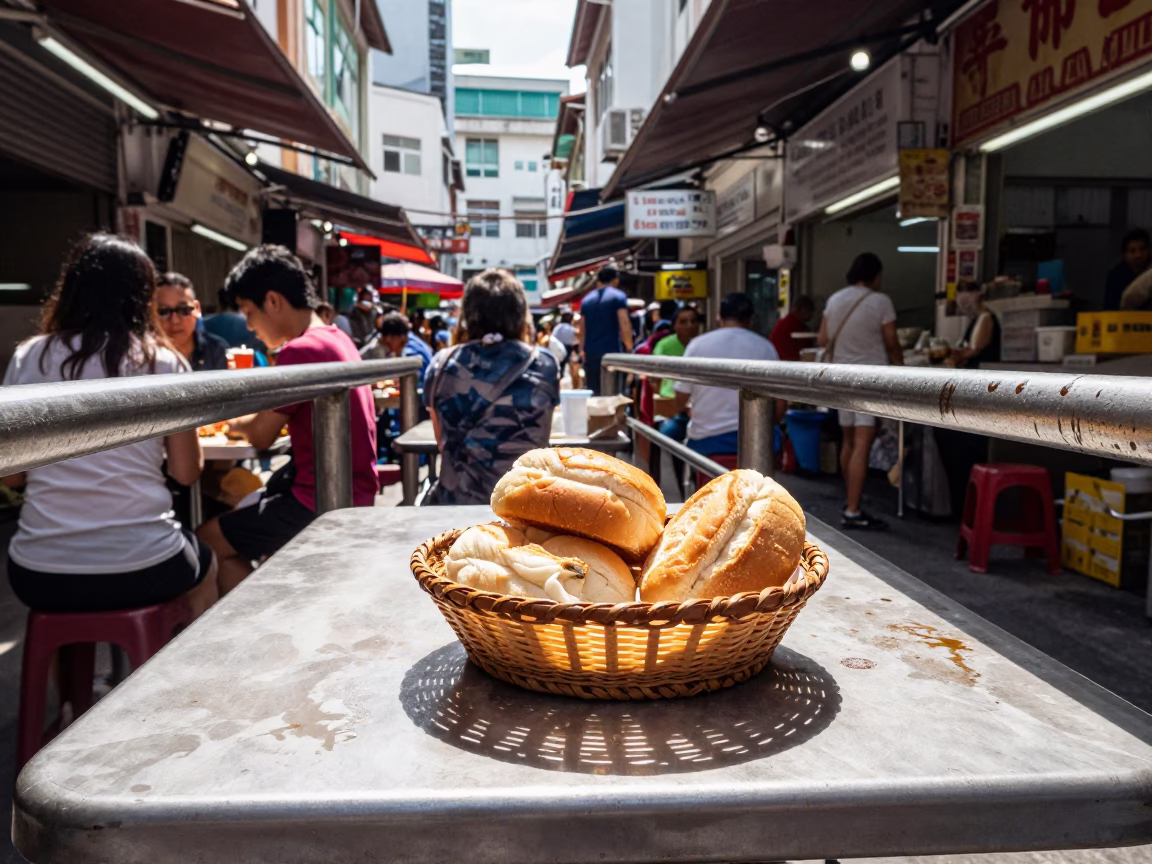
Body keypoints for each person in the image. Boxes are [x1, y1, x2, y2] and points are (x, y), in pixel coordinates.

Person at [1, 233, 218, 616]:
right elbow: (186, 473)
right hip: (145, 563)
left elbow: (12, 477)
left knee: (59, 618)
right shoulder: (162, 362)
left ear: (70, 290)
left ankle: (67, 679)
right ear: (143, 297)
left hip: (41, 571)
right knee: (208, 565)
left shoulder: (29, 356)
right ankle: (185, 673)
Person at [197, 246, 378, 593]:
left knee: (206, 541)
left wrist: (234, 423)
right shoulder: (336, 338)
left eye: (249, 312)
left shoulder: (301, 350)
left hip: (318, 501)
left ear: (273, 301)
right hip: (352, 492)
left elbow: (261, 437)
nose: (249, 326)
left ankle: (255, 627)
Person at [423, 269, 560, 505]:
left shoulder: (441, 364)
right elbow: (542, 435)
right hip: (524, 507)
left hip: (455, 507)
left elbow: (441, 440)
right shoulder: (544, 364)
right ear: (520, 314)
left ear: (467, 315)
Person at [818, 252, 903, 530]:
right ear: (875, 275)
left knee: (849, 441)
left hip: (842, 378)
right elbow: (891, 342)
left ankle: (851, 496)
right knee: (863, 443)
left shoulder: (835, 300)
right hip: (869, 379)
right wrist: (902, 370)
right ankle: (853, 509)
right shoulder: (881, 301)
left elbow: (822, 339)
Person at [671, 293, 778, 456]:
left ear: (719, 318)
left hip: (706, 440)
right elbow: (780, 404)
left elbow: (679, 400)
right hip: (756, 440)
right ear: (750, 320)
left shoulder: (697, 345)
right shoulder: (765, 347)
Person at [154, 272, 229, 371]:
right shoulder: (145, 359)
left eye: (184, 310)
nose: (174, 320)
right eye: (163, 311)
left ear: (197, 308)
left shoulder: (216, 350)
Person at [576, 266, 632, 394]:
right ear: (615, 280)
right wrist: (629, 347)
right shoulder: (618, 297)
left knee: (595, 393)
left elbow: (582, 329)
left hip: (591, 354)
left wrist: (581, 350)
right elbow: (624, 323)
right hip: (613, 354)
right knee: (614, 394)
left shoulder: (586, 301)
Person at [361, 312, 433, 385]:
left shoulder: (389, 350)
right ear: (389, 337)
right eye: (401, 343)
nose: (404, 346)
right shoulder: (376, 351)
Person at [948, 283, 1001, 367]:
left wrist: (953, 354)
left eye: (966, 304)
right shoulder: (977, 319)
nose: (965, 308)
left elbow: (974, 350)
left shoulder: (985, 317)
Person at [1104, 228, 1151, 310]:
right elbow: (1110, 308)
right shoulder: (1115, 276)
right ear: (1124, 254)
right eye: (1132, 251)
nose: (1138, 255)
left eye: (1142, 249)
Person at [770, 295, 816, 362]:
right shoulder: (798, 328)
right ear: (802, 310)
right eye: (810, 310)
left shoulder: (781, 323)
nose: (812, 314)